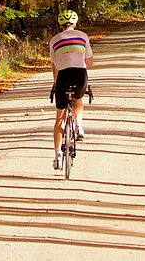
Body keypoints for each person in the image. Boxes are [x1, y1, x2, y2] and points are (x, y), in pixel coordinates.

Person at [50, 9, 92, 169]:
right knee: (78, 99)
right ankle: (78, 125)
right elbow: (89, 63)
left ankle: (57, 156)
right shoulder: (83, 36)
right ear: (75, 23)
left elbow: (54, 64)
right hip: (79, 74)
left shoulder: (54, 40)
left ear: (61, 24)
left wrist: (56, 83)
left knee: (59, 118)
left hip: (62, 76)